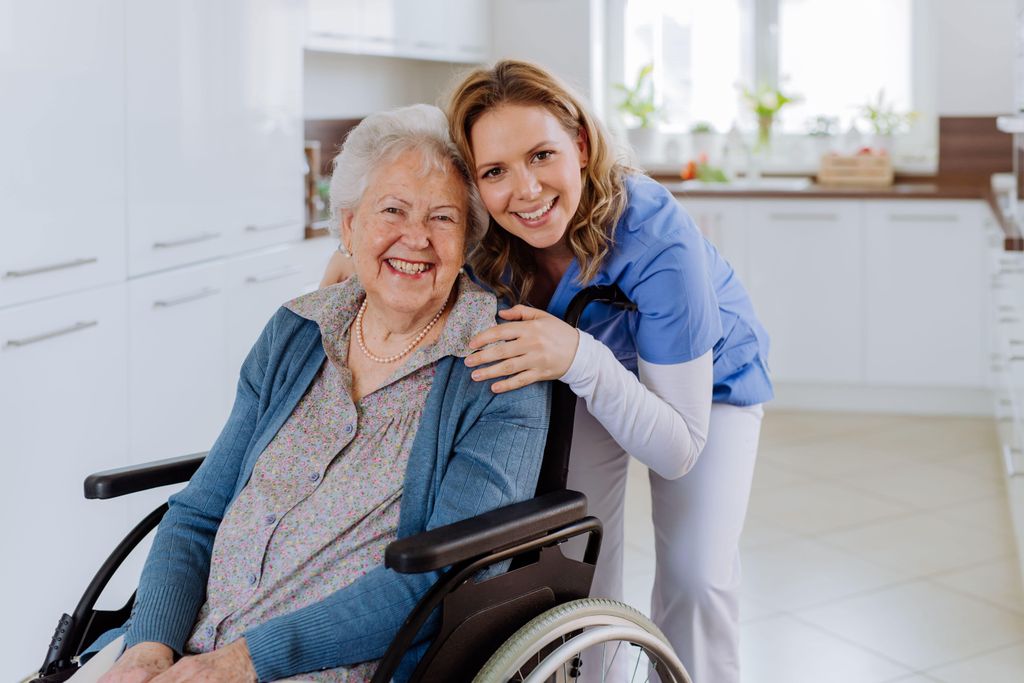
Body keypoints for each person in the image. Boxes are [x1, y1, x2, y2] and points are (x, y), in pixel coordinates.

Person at [76, 104, 549, 683]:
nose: (416, 238)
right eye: (392, 210)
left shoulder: (499, 364)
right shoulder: (296, 330)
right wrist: (149, 647)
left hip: (330, 664)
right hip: (186, 648)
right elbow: (198, 514)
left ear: (468, 238)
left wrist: (243, 663)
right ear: (349, 226)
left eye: (443, 218)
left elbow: (442, 577)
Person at [342, 60, 775, 681]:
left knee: (698, 578)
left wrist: (579, 356)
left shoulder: (656, 237)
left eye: (542, 155)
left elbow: (677, 448)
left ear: (580, 143)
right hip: (575, 371)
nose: (526, 190)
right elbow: (411, 230)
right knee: (576, 561)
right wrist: (349, 255)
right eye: (495, 171)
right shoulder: (485, 236)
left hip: (707, 387)